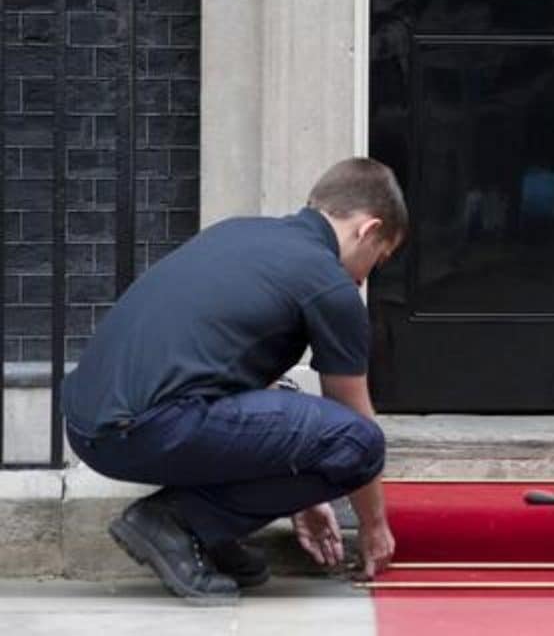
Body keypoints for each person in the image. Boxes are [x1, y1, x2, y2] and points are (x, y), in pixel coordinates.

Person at [62, 157, 408, 603]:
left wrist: (299, 496)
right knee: (361, 444)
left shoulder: (241, 232)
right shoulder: (329, 284)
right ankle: (173, 521)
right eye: (377, 259)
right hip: (149, 426)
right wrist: (374, 527)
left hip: (87, 428)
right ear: (367, 229)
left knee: (285, 403)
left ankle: (207, 531)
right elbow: (352, 419)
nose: (365, 278)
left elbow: (229, 376)